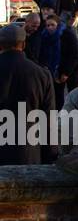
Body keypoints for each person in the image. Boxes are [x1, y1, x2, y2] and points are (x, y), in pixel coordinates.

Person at [0, 24, 53, 165]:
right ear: (23, 45)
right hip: (28, 152)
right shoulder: (41, 74)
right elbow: (48, 120)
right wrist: (50, 155)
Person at [37, 13, 78, 108]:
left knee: (73, 95)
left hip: (69, 70)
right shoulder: (44, 36)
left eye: (52, 25)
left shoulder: (67, 34)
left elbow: (74, 55)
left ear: (58, 24)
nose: (50, 27)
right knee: (56, 96)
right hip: (52, 70)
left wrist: (66, 72)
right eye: (48, 25)